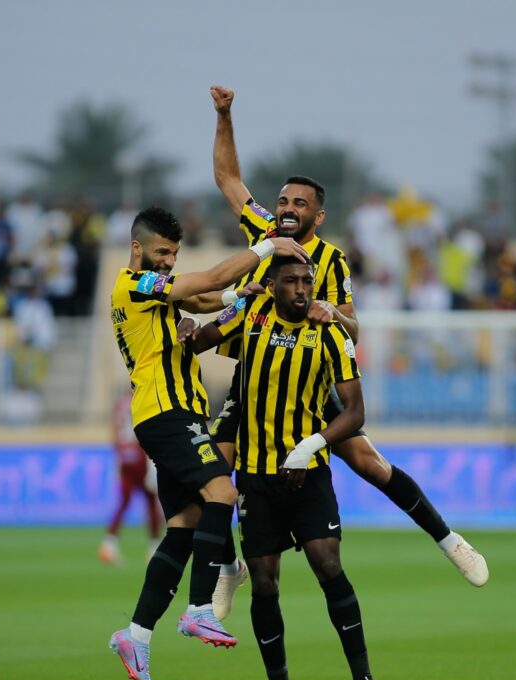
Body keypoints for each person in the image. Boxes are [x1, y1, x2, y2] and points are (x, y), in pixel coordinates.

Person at [201, 86, 488, 594]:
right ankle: (228, 569)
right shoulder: (264, 234)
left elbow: (354, 329)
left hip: (311, 387)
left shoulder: (331, 261)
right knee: (209, 475)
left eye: (300, 203)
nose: (287, 208)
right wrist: (224, 115)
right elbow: (227, 178)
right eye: (283, 200)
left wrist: (332, 313)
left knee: (369, 463)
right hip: (254, 383)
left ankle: (450, 541)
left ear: (318, 216)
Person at [107, 206, 307, 680]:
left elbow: (201, 299)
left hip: (175, 414)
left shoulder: (151, 293)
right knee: (222, 491)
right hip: (167, 412)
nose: (168, 261)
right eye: (161, 252)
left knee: (183, 528)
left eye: (173, 254)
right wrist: (268, 247)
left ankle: (135, 635)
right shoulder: (131, 284)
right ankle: (201, 605)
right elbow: (207, 281)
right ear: (136, 248)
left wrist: (239, 296)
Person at [189, 254, 393, 680]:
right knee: (265, 583)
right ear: (273, 284)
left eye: (306, 281)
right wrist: (185, 328)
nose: (301, 289)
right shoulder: (249, 314)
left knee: (329, 565)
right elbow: (200, 340)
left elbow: (355, 412)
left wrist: (313, 444)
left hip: (310, 471)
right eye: (291, 281)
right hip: (256, 476)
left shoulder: (329, 332)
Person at [98, 389, 163, 565]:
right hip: (141, 457)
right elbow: (147, 429)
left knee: (123, 502)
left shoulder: (120, 402)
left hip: (125, 458)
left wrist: (119, 457)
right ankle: (154, 548)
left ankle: (109, 544)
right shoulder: (142, 398)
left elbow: (115, 432)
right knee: (151, 501)